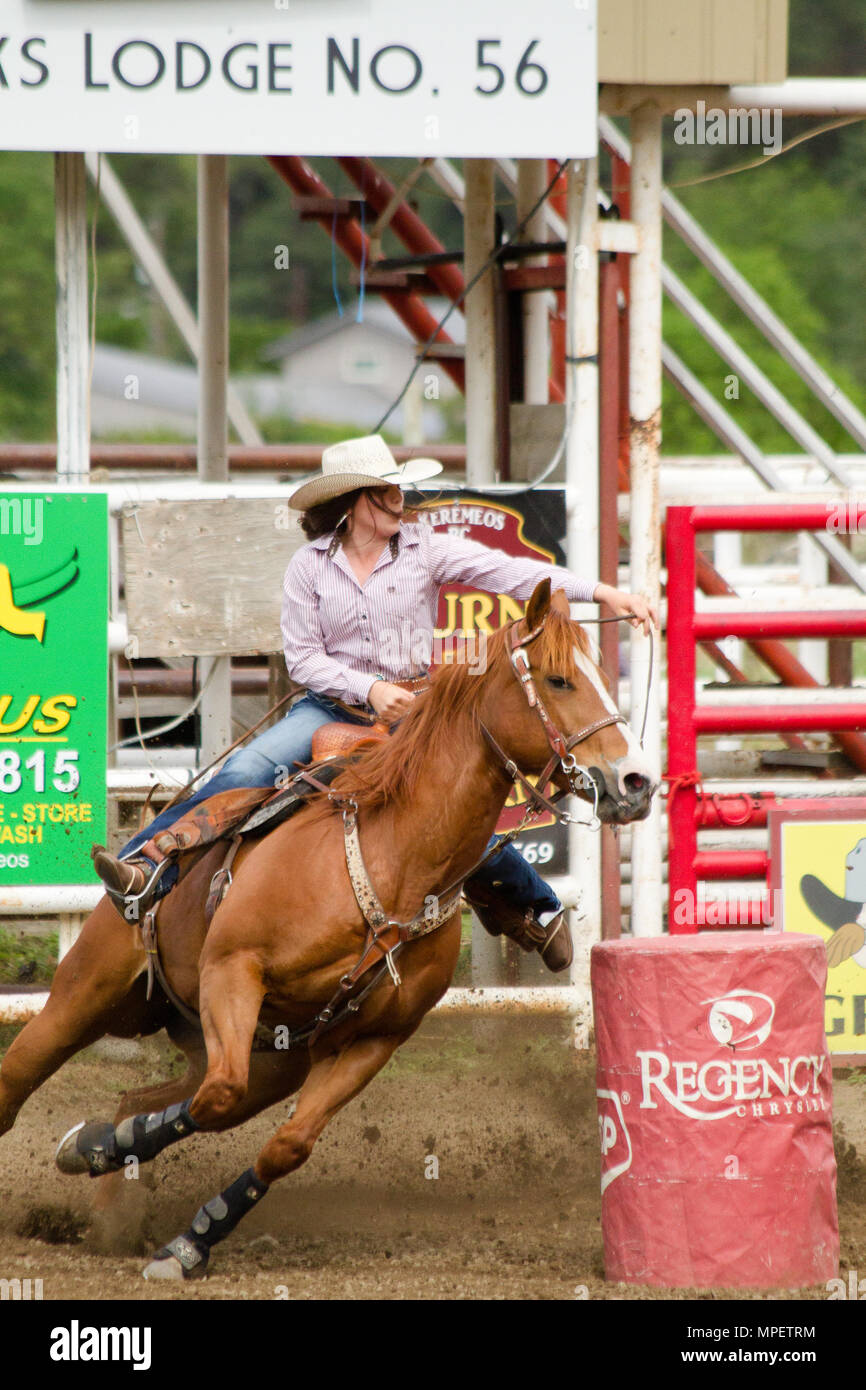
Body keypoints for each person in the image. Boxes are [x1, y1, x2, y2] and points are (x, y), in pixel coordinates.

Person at [92, 435, 655, 974]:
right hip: (329, 707)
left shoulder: (424, 550)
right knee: (244, 770)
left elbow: (510, 572)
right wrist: (369, 690)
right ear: (354, 502)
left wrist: (606, 593)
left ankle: (536, 908)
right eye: (386, 492)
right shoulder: (309, 567)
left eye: (397, 490)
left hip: (414, 710)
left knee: (450, 806)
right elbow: (305, 660)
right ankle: (145, 868)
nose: (399, 501)